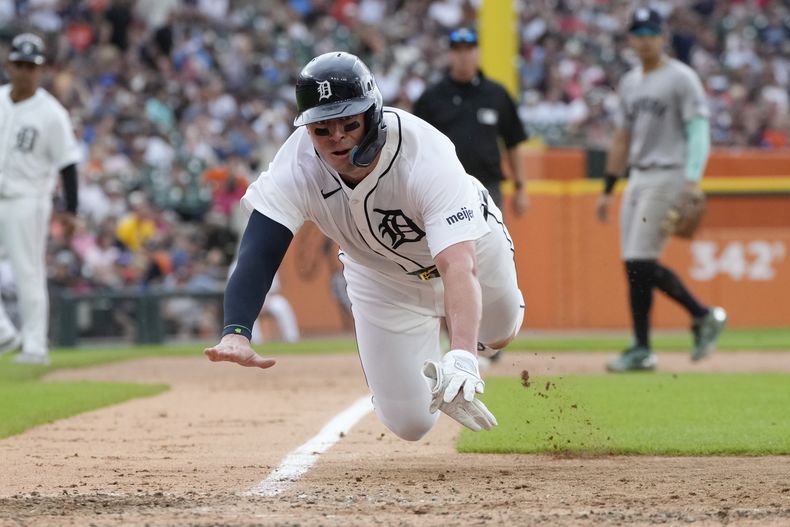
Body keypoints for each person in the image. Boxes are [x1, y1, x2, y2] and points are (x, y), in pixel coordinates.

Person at [204, 52, 525, 439]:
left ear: (372, 113)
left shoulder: (424, 154)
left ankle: (459, 341)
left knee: (499, 331)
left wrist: (461, 354)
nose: (336, 137)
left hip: (473, 248)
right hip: (381, 276)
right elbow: (259, 249)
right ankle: (404, 372)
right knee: (410, 424)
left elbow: (458, 265)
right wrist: (236, 331)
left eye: (348, 122)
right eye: (322, 129)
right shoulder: (298, 165)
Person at [595, 8, 727, 372]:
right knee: (635, 265)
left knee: (639, 260)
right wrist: (608, 186)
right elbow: (622, 137)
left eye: (651, 30)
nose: (645, 37)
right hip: (637, 176)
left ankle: (654, 340)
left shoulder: (681, 78)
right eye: (638, 31)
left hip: (669, 173)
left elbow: (699, 129)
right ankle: (692, 321)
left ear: (662, 36)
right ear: (631, 38)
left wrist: (692, 180)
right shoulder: (630, 82)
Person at [0, 33, 82, 366]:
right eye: (19, 64)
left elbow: (68, 163)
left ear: (41, 70)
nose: (23, 72)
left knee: (27, 272)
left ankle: (35, 347)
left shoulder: (51, 113)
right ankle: (5, 334)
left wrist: (71, 210)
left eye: (30, 66)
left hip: (28, 198)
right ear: (9, 65)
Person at [413, 27, 528, 217]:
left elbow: (513, 142)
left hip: (488, 188)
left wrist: (520, 187)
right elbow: (416, 149)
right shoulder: (431, 98)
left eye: (469, 49)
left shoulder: (496, 94)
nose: (464, 56)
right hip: (444, 189)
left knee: (493, 245)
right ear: (450, 54)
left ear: (478, 52)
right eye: (458, 50)